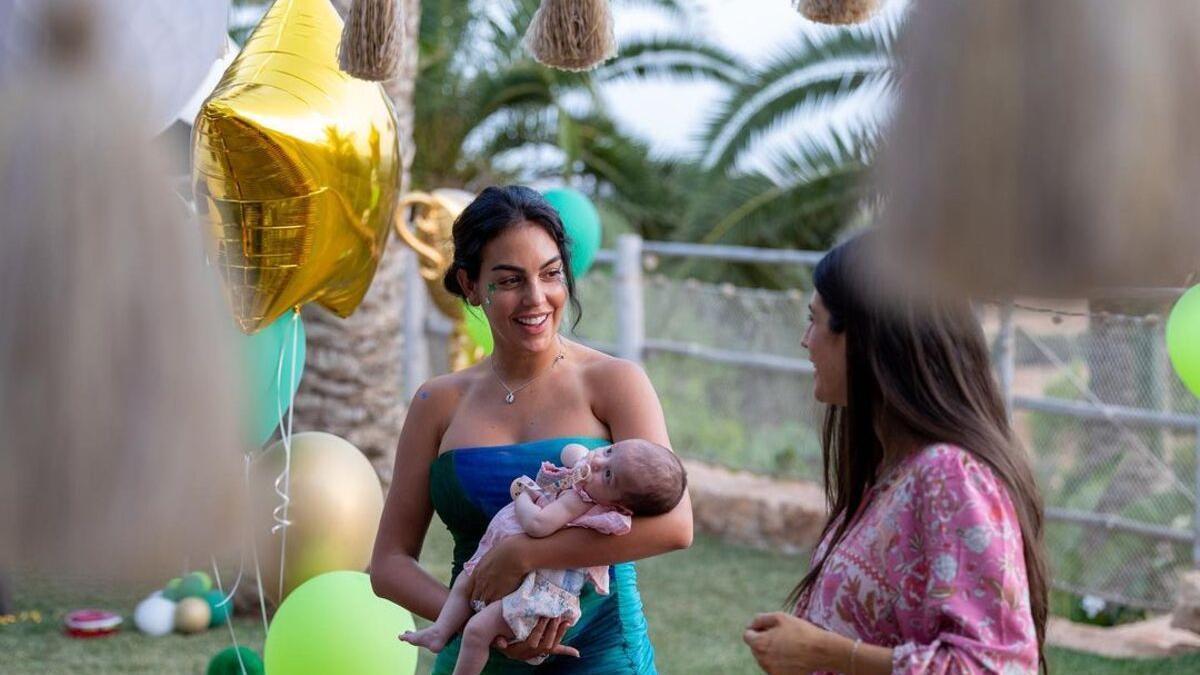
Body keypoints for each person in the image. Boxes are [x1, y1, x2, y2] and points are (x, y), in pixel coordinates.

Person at [370, 185, 692, 674]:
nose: (536, 297)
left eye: (550, 274)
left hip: (601, 655)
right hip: (475, 655)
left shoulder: (615, 382)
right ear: (471, 285)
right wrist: (481, 624)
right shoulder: (436, 402)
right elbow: (389, 563)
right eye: (511, 280)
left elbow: (674, 525)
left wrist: (523, 553)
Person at [743, 233, 1047, 674]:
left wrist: (825, 653)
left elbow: (996, 667)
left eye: (816, 320)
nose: (806, 341)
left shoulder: (949, 474)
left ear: (868, 337)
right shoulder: (891, 471)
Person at [402, 440, 687, 675]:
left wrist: (523, 497)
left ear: (619, 505)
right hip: (503, 567)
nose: (598, 462)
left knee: (477, 630)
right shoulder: (584, 479)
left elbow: (538, 526)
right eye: (609, 451)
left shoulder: (580, 501)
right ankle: (440, 631)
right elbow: (571, 451)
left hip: (538, 591)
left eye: (608, 475)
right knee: (465, 581)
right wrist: (587, 460)